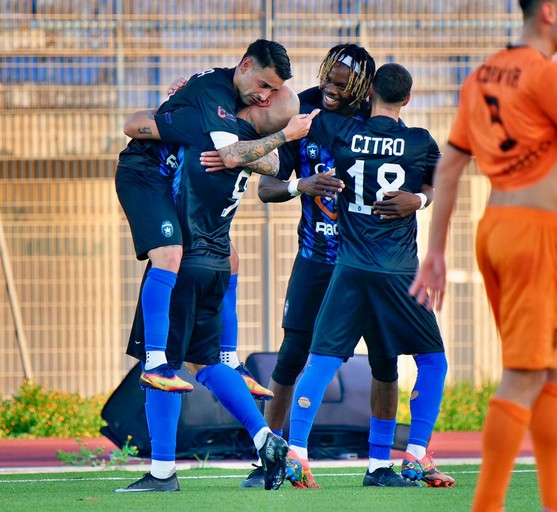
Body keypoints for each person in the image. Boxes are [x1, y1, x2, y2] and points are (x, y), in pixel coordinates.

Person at [409, 1, 557, 510]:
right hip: (534, 234)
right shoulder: (548, 77)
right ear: (549, 11)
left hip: (497, 229)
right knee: (525, 373)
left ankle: (556, 498)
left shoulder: (483, 75)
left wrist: (436, 250)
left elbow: (450, 166)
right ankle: (488, 504)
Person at [240, 44, 439, 489]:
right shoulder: (303, 112)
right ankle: (271, 459)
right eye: (327, 80)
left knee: (385, 362)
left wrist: (418, 199)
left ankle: (378, 466)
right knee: (292, 356)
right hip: (317, 258)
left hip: (364, 262)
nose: (329, 90)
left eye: (340, 85)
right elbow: (267, 188)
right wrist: (301, 185)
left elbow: (426, 175)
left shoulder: (378, 122)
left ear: (365, 89)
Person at [115, 87, 310, 493]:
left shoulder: (212, 136)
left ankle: (162, 473)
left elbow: (134, 127)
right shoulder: (247, 151)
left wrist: (176, 105)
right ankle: (265, 437)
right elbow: (267, 162)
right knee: (205, 364)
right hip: (218, 266)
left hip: (185, 265)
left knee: (162, 368)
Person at [115, 39, 296, 396]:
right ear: (245, 65)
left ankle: (229, 359)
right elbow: (229, 155)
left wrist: (171, 107)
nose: (264, 97)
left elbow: (260, 161)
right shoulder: (216, 96)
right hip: (145, 175)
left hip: (175, 181)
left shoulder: (228, 99)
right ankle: (155, 362)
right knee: (170, 254)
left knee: (231, 259)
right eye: (263, 86)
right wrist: (284, 136)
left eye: (271, 92)